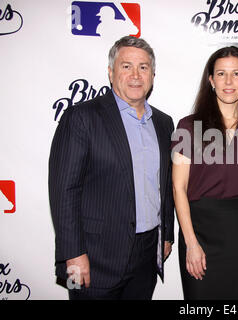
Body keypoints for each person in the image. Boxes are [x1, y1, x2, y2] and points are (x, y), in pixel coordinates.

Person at [49, 36, 174, 300]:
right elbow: (64, 191)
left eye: (143, 67)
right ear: (110, 72)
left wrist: (167, 235)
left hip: (147, 255)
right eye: (126, 66)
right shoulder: (81, 117)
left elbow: (166, 185)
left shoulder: (164, 123)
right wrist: (72, 254)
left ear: (153, 74)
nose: (136, 75)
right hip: (90, 257)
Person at [171, 46, 238, 300]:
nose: (228, 81)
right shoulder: (189, 126)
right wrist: (191, 243)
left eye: (236, 74)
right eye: (221, 74)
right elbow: (178, 188)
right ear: (211, 80)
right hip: (199, 230)